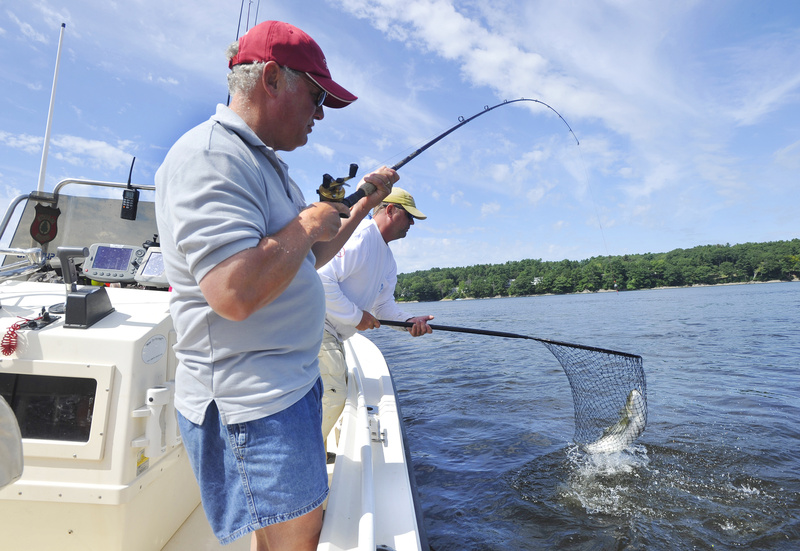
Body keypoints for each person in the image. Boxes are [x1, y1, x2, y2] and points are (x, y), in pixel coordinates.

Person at [154, 20, 396, 551]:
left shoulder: (266, 165)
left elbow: (305, 258)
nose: (319, 114)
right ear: (271, 78)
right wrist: (307, 222)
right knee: (293, 537)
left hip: (284, 386)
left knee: (290, 530)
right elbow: (233, 293)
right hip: (253, 402)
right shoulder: (211, 157)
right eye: (316, 97)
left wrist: (361, 207)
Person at [317, 187, 434, 446]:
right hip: (314, 327)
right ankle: (306, 460)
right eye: (409, 215)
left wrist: (409, 322)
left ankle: (313, 453)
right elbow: (321, 278)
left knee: (329, 394)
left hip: (333, 334)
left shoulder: (388, 260)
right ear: (390, 209)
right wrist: (357, 316)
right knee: (334, 396)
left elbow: (383, 307)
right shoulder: (359, 235)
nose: (412, 223)